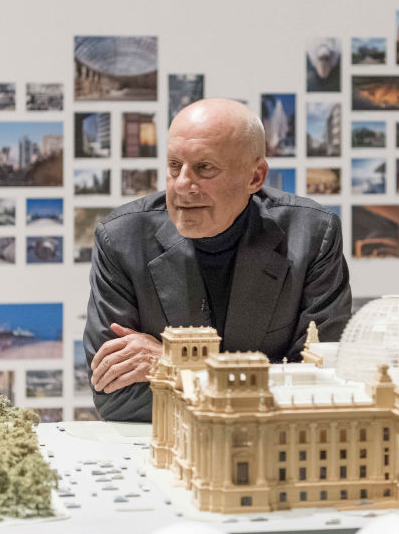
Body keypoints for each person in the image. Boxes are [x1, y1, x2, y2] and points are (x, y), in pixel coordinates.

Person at [84, 98, 351, 422]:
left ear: (255, 177)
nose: (182, 184)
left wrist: (180, 367)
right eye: (173, 166)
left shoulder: (312, 235)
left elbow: (322, 385)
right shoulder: (121, 240)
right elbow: (115, 396)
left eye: (204, 168)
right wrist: (261, 384)